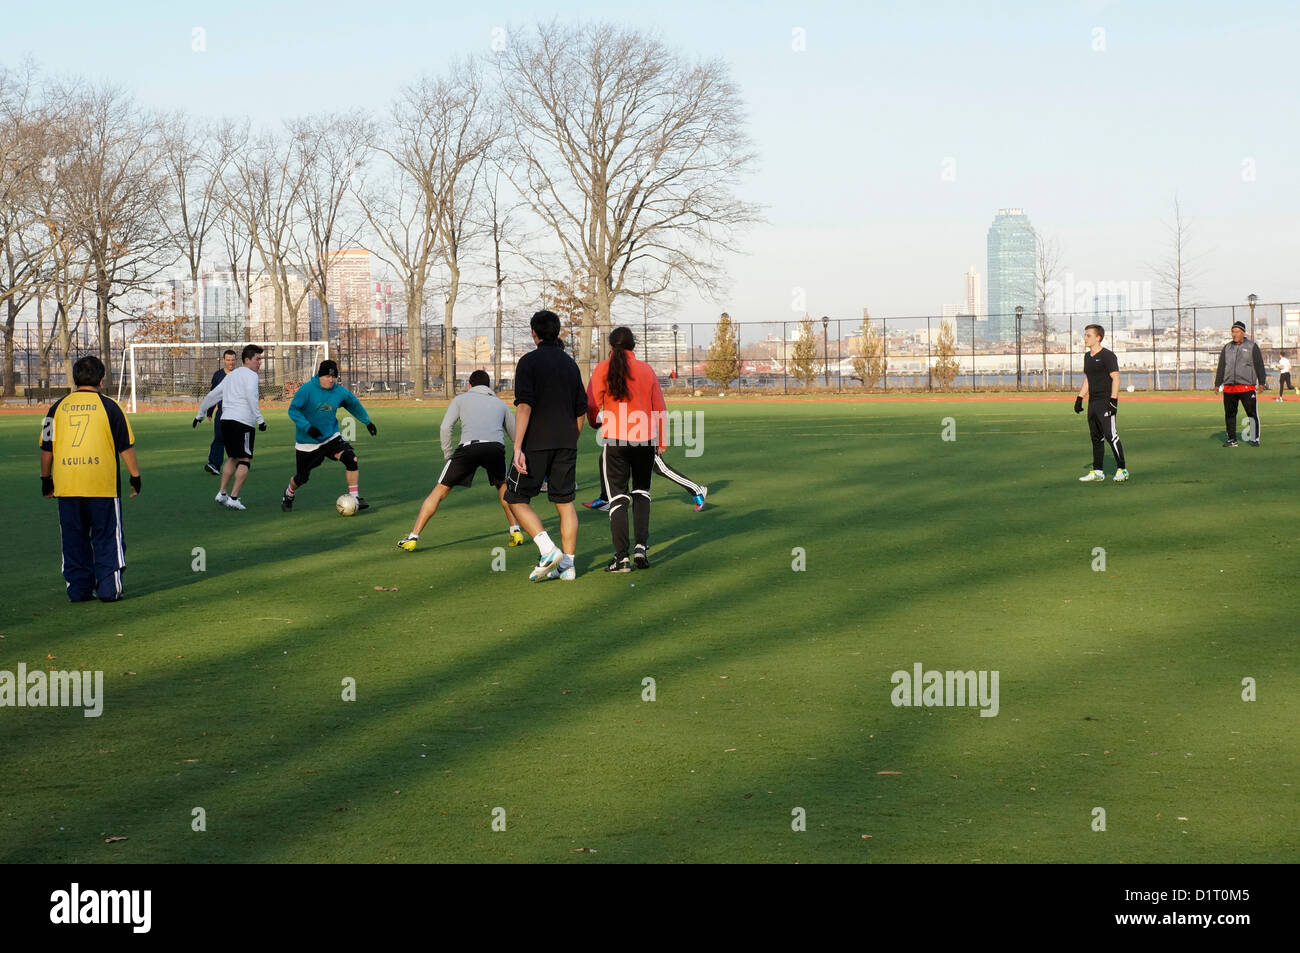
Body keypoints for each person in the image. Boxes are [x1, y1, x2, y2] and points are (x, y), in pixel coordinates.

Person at [39, 355, 141, 602]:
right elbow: (125, 447)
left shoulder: (56, 408)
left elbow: (46, 448)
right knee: (107, 536)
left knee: (74, 539)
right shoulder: (110, 407)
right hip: (102, 487)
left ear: (75, 379)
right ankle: (109, 589)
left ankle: (79, 589)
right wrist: (135, 476)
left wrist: (45, 479)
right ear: (101, 379)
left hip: (67, 486)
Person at [503, 309, 588, 581]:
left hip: (536, 443)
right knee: (565, 503)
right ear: (558, 332)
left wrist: (517, 447)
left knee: (514, 498)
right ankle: (569, 566)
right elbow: (580, 412)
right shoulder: (570, 364)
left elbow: (525, 406)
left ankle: (548, 549)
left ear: (534, 333)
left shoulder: (528, 362)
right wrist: (570, 440)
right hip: (566, 442)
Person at [397, 369, 521, 551]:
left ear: (470, 385)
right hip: (495, 448)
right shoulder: (500, 404)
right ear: (489, 386)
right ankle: (515, 531)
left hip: (468, 449)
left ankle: (413, 537)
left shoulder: (460, 399)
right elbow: (515, 434)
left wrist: (448, 455)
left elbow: (445, 427)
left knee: (439, 492)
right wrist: (518, 453)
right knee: (503, 488)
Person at [587, 326, 666, 572]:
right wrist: (661, 442)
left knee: (618, 498)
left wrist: (596, 422)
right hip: (645, 441)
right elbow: (659, 408)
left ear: (611, 346)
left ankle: (621, 558)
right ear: (633, 345)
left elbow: (591, 404)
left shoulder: (602, 368)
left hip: (616, 441)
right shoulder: (646, 369)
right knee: (641, 494)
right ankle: (641, 548)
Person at [280, 359, 377, 512]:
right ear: (319, 375)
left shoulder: (339, 391)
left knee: (351, 459)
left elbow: (354, 404)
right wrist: (308, 427)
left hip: (331, 437)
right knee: (302, 478)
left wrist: (367, 422)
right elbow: (293, 410)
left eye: (334, 377)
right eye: (327, 376)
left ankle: (355, 497)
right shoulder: (306, 390)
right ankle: (288, 493)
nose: (331, 380)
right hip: (308, 443)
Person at [194, 344, 266, 510]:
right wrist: (260, 419)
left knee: (233, 458)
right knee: (245, 460)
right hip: (242, 422)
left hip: (226, 421)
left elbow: (213, 394)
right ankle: (233, 498)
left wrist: (200, 414)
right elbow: (250, 396)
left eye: (260, 359)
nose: (260, 362)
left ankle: (222, 493)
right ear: (247, 360)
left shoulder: (232, 376)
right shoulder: (251, 376)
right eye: (257, 359)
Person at [1073, 324, 1128, 483]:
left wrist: (1113, 401)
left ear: (1098, 338)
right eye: (1085, 335)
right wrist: (1079, 397)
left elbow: (1116, 378)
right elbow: (1088, 380)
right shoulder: (1087, 357)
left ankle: (1122, 469)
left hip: (1106, 401)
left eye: (1088, 335)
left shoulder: (1108, 356)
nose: (1085, 338)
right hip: (1093, 402)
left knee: (1111, 435)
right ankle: (1098, 471)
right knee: (1096, 437)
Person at [585, 449, 708, 512]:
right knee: (605, 457)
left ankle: (697, 490)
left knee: (661, 468)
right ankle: (606, 498)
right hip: (625, 431)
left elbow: (658, 410)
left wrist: (660, 440)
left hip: (645, 433)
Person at [1214, 320, 1266, 447]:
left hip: (1246, 386)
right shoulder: (1227, 348)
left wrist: (1262, 382)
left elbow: (1259, 365)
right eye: (1232, 331)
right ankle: (1232, 439)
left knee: (1251, 413)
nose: (1234, 334)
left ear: (1243, 333)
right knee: (1230, 414)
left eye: (1237, 331)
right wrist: (1217, 383)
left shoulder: (1252, 346)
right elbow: (1221, 366)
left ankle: (1254, 438)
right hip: (1229, 387)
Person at [204, 349, 237, 475]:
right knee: (219, 438)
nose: (231, 362)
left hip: (238, 413)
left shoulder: (241, 374)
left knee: (235, 440)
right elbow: (213, 394)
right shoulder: (218, 375)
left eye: (233, 360)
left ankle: (241, 464)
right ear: (223, 360)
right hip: (222, 413)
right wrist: (209, 411)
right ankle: (214, 465)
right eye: (228, 360)